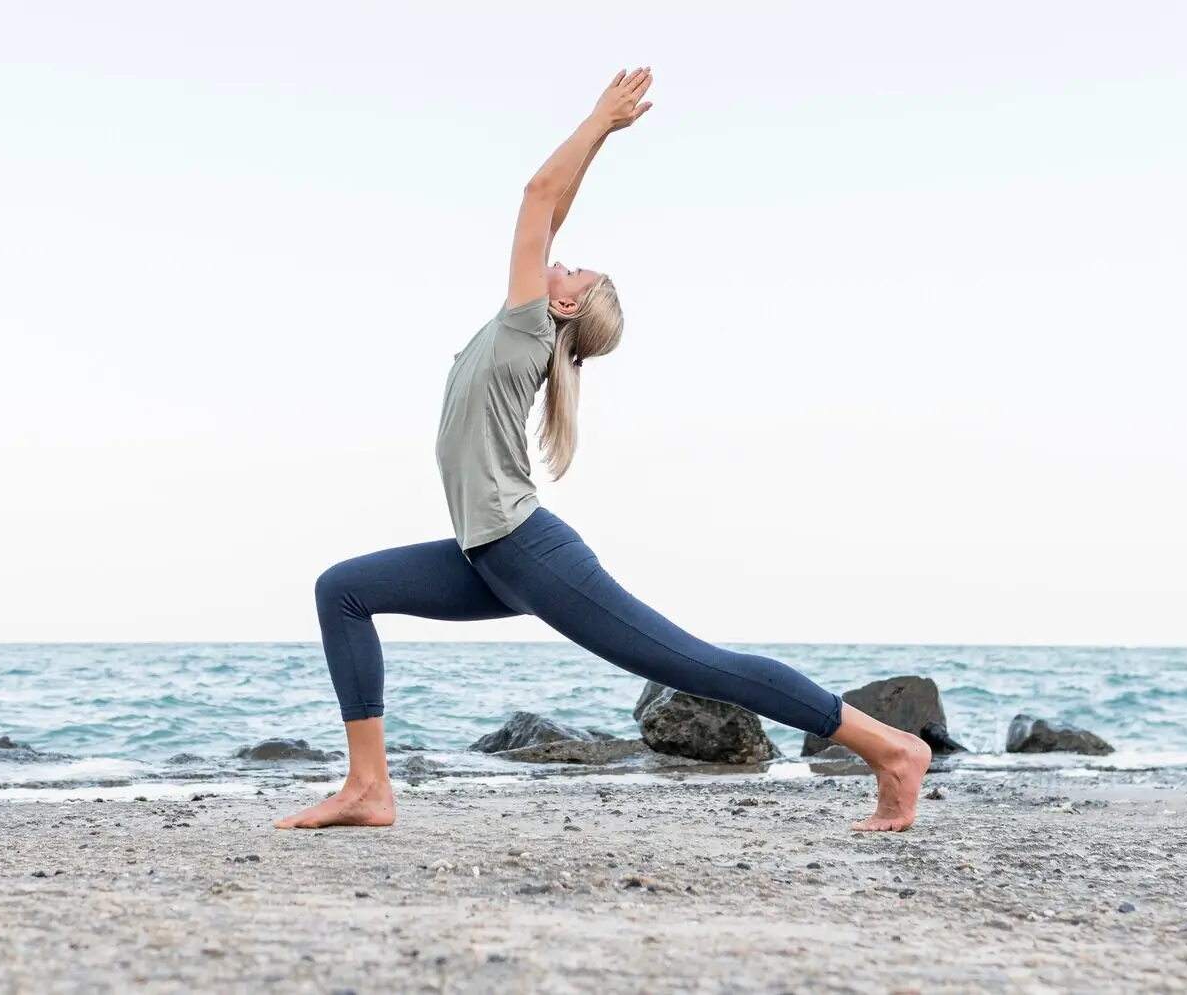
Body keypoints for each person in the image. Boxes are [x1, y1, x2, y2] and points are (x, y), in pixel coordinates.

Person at [276, 69, 931, 834]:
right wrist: (602, 140)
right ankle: (367, 787)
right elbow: (551, 209)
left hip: (528, 552)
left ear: (562, 305)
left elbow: (534, 198)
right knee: (342, 591)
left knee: (696, 666)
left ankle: (889, 747)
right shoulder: (520, 327)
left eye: (574, 270)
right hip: (487, 555)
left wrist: (596, 120)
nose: (563, 258)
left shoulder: (526, 328)